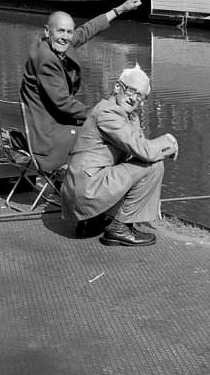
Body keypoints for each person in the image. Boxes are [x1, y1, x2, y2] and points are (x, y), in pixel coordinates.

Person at [20, 0, 141, 173]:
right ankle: (90, 186)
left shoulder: (50, 45)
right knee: (103, 136)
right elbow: (64, 104)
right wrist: (104, 112)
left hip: (42, 125)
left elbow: (86, 31)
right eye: (61, 31)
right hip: (46, 137)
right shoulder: (46, 60)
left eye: (69, 32)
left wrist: (120, 9)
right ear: (48, 31)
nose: (65, 37)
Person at [61, 64, 178, 247]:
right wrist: (169, 142)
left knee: (138, 161)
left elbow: (137, 150)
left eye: (140, 96)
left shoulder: (122, 113)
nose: (134, 99)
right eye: (131, 91)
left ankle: (90, 221)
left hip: (82, 189)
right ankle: (119, 228)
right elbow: (145, 151)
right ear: (117, 87)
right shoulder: (109, 114)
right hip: (86, 192)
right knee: (154, 165)